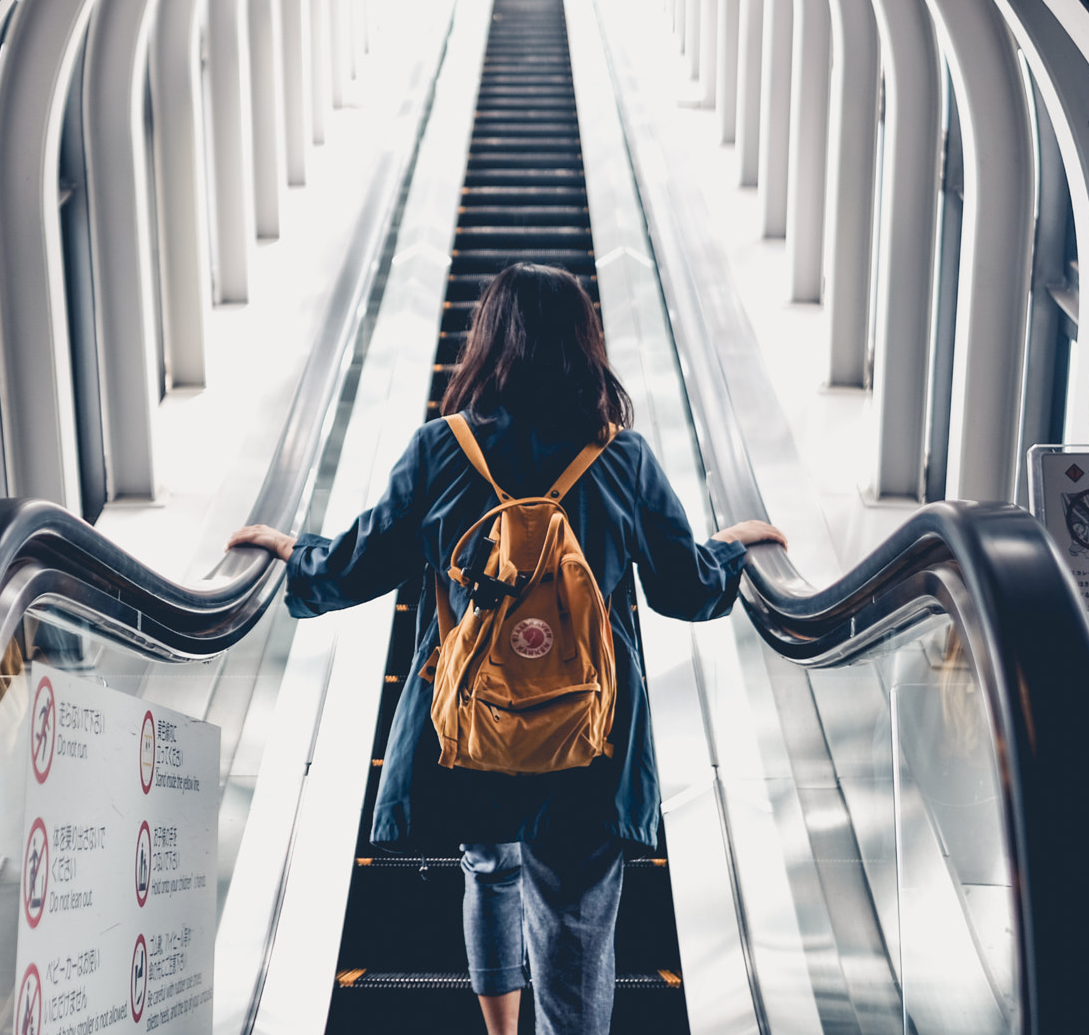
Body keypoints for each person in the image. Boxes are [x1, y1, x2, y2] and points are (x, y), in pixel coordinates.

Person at [229, 262, 784, 1035]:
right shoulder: (620, 459)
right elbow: (684, 589)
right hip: (588, 738)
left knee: (490, 865)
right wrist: (729, 550)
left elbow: (363, 563)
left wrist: (295, 555)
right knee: (577, 915)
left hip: (471, 727)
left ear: (487, 342)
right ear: (585, 344)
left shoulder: (440, 449)